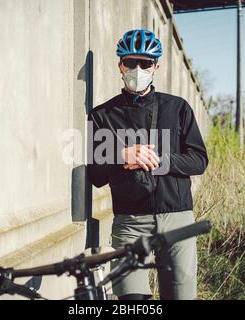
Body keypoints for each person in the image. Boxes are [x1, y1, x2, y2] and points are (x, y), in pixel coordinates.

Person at [87, 29, 209, 300]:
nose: (137, 69)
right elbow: (95, 175)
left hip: (176, 217)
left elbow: (199, 160)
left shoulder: (178, 108)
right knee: (131, 301)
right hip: (130, 222)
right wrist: (121, 157)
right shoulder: (101, 116)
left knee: (180, 296)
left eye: (145, 63)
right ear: (120, 64)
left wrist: (163, 161)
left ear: (156, 66)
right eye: (131, 62)